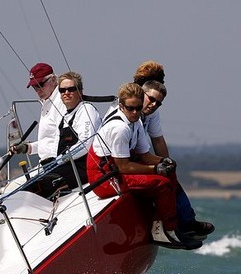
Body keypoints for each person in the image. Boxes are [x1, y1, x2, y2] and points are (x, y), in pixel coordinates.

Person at [87, 82, 201, 250]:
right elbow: (124, 166)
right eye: (130, 108)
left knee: (169, 171)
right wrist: (155, 169)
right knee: (160, 183)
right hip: (103, 178)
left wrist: (163, 162)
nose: (134, 112)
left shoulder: (137, 122)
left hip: (116, 170)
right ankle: (165, 232)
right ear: (121, 106)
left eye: (138, 108)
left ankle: (179, 225)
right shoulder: (119, 128)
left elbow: (145, 155)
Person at [134, 61, 214, 239]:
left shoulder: (151, 111)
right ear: (141, 86)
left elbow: (158, 140)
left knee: (169, 173)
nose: (154, 101)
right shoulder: (130, 108)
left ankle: (187, 221)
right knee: (161, 180)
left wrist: (167, 164)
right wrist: (159, 167)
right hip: (125, 161)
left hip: (138, 157)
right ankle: (168, 226)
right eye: (151, 91)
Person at [11, 65, 100, 197]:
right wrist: (28, 148)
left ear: (53, 80)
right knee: (23, 193)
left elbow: (85, 144)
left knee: (35, 191)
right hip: (56, 165)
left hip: (70, 165)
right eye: (34, 86)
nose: (65, 93)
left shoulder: (75, 107)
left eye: (40, 84)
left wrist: (58, 161)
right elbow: (52, 140)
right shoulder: (52, 107)